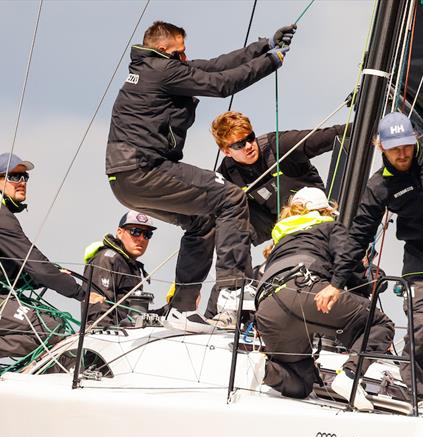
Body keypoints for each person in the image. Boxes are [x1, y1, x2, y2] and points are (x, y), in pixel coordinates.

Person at [105, 20, 296, 333]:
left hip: (125, 180)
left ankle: (182, 306)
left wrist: (263, 46)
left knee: (202, 221)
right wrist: (271, 62)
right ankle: (234, 289)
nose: (185, 56)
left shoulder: (155, 67)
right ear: (162, 50)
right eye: (179, 51)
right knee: (231, 195)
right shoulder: (163, 71)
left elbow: (213, 66)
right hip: (146, 170)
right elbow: (220, 84)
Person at [315, 112, 423, 400]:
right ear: (381, 147)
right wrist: (336, 282)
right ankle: (421, 398)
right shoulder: (379, 186)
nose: (402, 153)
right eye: (394, 148)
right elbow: (359, 235)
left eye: (405, 145)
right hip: (420, 258)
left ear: (414, 139)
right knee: (418, 334)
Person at [0, 153, 100, 363]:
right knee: (51, 327)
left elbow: (10, 270)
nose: (21, 182)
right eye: (13, 176)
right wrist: (81, 292)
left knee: (52, 326)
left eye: (24, 177)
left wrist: (48, 276)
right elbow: (34, 261)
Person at [253, 187, 396, 410]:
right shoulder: (329, 226)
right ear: (324, 211)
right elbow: (348, 261)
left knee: (301, 382)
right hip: (306, 292)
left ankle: (260, 368)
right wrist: (362, 287)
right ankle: (350, 376)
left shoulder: (280, 240)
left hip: (268, 307)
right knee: (380, 323)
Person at [211, 111, 347, 245]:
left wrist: (366, 130)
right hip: (287, 231)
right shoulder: (226, 176)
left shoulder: (278, 146)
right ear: (227, 151)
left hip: (320, 215)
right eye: (239, 145)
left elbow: (330, 135)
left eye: (250, 138)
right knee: (225, 223)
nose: (248, 146)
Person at [83, 210, 157, 328]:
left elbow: (132, 314)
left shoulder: (132, 266)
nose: (142, 239)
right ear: (119, 232)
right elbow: (98, 311)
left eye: (147, 234)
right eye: (135, 232)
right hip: (107, 337)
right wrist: (106, 335)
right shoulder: (107, 258)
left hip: (126, 335)